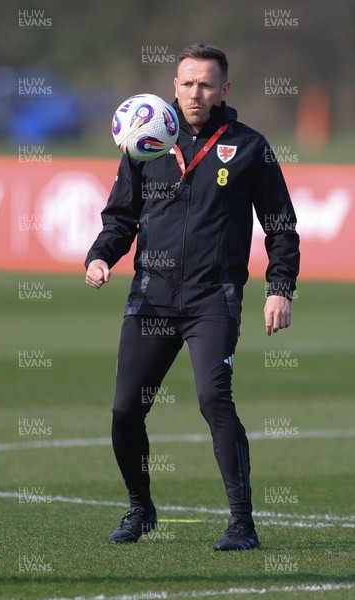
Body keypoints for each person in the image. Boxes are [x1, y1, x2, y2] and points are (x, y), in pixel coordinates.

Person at [85, 43, 300, 551]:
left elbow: (281, 225)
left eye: (206, 84)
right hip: (151, 300)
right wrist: (100, 256)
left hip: (212, 299)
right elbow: (120, 218)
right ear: (174, 85)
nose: (195, 93)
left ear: (224, 89)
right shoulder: (145, 142)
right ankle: (141, 508)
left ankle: (242, 524)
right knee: (123, 411)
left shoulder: (249, 146)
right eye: (186, 83)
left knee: (213, 400)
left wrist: (280, 287)